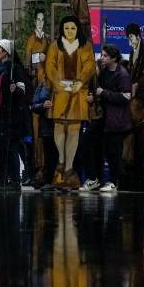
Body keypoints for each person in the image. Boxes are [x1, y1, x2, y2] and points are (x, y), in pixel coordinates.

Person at [44, 15, 96, 191]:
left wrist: (81, 81)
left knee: (74, 129)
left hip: (77, 91)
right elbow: (49, 66)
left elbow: (90, 66)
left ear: (77, 30)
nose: (70, 31)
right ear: (62, 30)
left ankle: (68, 168)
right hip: (60, 90)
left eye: (73, 28)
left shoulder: (85, 45)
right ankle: (61, 159)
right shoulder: (55, 45)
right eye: (66, 28)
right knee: (59, 127)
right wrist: (57, 82)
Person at [88, 43, 132, 193]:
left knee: (114, 152)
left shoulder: (123, 74)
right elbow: (98, 90)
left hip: (117, 120)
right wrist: (94, 97)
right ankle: (96, 179)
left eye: (106, 55)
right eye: (102, 55)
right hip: (103, 118)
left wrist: (103, 93)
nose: (103, 58)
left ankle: (115, 182)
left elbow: (126, 97)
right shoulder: (104, 72)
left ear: (114, 57)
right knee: (95, 147)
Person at [0, 38, 28, 191]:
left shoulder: (14, 69)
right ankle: (1, 178)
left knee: (11, 146)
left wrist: (15, 90)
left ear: (5, 52)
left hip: (11, 114)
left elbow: (22, 90)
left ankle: (15, 180)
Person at [125, 23, 144, 191]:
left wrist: (138, 85)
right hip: (133, 100)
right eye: (128, 38)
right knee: (131, 142)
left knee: (139, 141)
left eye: (131, 37)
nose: (130, 40)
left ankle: (141, 182)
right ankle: (132, 179)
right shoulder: (132, 53)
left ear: (138, 36)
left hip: (142, 101)